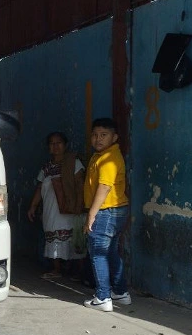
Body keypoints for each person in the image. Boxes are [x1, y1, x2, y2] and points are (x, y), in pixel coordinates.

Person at [82, 117, 131, 312]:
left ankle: (103, 297)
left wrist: (91, 215)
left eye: (104, 135)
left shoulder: (109, 159)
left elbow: (104, 187)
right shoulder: (102, 155)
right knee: (110, 252)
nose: (98, 139)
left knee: (98, 253)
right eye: (95, 135)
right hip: (115, 211)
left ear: (114, 137)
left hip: (106, 211)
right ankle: (120, 292)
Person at [27, 132, 86, 279]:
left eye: (59, 142)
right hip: (51, 209)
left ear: (65, 145)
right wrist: (33, 206)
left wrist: (79, 204)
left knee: (75, 237)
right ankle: (57, 269)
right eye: (52, 143)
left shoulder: (74, 163)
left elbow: (80, 184)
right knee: (54, 236)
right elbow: (40, 188)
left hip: (71, 208)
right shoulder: (46, 167)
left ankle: (78, 272)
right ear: (49, 148)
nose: (56, 146)